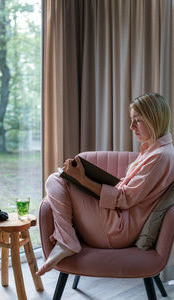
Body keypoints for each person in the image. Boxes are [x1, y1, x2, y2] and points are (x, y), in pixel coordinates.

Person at [36, 93, 174, 276]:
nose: (131, 127)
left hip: (117, 230)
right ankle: (66, 240)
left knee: (55, 179)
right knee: (60, 178)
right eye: (131, 120)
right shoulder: (156, 151)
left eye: (137, 120)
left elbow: (124, 199)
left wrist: (83, 179)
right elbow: (128, 191)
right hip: (118, 222)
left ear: (154, 119)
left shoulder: (159, 157)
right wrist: (88, 180)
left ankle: (67, 242)